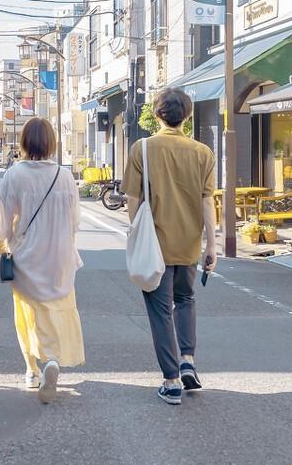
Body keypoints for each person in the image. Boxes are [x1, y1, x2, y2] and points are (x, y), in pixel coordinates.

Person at [123, 88, 217, 406]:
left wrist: (136, 236)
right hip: (190, 243)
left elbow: (132, 201)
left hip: (155, 245)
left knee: (160, 310)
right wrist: (211, 245)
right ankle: (187, 359)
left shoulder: (142, 149)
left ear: (158, 114)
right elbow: (208, 202)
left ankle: (171, 379)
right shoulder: (203, 152)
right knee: (186, 299)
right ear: (187, 115)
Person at [0, 117, 84, 404]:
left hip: (26, 255)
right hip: (59, 255)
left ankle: (32, 369)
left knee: (27, 313)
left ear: (24, 142)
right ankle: (53, 360)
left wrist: (1, 247)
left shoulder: (15, 175)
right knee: (58, 309)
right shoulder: (65, 176)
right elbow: (75, 221)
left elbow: (3, 223)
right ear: (52, 143)